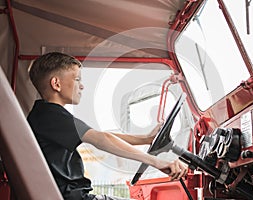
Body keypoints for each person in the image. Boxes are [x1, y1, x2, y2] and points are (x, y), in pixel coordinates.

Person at [27, 52, 188, 200]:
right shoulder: (51, 116)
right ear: (56, 83)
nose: (82, 86)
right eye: (77, 79)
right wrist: (156, 162)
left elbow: (99, 135)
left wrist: (146, 139)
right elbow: (101, 139)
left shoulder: (46, 115)